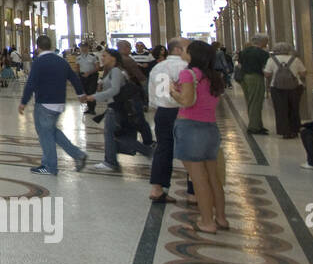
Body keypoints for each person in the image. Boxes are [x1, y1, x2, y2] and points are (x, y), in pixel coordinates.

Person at [169, 40, 229, 233]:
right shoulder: (213, 76)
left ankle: (206, 222)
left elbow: (186, 101)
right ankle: (220, 218)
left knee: (198, 178)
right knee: (213, 176)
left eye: (186, 49)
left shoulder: (188, 74)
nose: (182, 51)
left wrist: (172, 91)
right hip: (210, 128)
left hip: (191, 126)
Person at [17, 34, 88, 175]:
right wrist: (81, 94)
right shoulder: (61, 61)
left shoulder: (38, 62)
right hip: (59, 102)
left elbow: (31, 83)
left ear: (37, 47)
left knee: (45, 135)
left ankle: (50, 167)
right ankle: (78, 155)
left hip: (44, 103)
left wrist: (24, 102)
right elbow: (74, 78)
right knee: (52, 131)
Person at [83, 48, 152, 171]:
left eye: (105, 56)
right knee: (112, 135)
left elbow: (114, 90)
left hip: (117, 107)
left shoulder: (116, 71)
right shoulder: (111, 71)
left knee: (114, 135)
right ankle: (111, 160)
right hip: (114, 106)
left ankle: (144, 151)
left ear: (113, 58)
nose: (102, 58)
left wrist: (94, 97)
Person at [147, 37, 189, 203]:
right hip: (181, 112)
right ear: (178, 50)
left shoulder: (158, 67)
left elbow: (153, 94)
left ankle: (157, 188)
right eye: (187, 48)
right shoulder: (185, 67)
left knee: (163, 149)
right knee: (190, 151)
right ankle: (193, 192)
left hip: (162, 111)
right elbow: (174, 95)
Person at [264, 41, 307, 139]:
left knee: (281, 109)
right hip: (295, 87)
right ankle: (294, 129)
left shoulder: (271, 60)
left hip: (277, 87)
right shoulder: (295, 59)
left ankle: (284, 131)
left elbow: (267, 74)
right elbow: (304, 73)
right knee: (294, 108)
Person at [237, 34, 271, 134]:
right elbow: (266, 66)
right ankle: (254, 127)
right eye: (266, 41)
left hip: (244, 77)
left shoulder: (244, 51)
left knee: (250, 101)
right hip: (255, 77)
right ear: (262, 42)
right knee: (256, 101)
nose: (267, 43)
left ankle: (257, 124)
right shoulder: (262, 53)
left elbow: (240, 65)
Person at [76, 43, 100, 115]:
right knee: (85, 92)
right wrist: (78, 76)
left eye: (85, 47)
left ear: (88, 48)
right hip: (83, 76)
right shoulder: (78, 57)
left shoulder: (93, 57)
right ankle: (89, 108)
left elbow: (97, 67)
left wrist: (89, 73)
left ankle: (92, 109)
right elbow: (77, 68)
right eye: (82, 47)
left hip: (92, 76)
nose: (83, 49)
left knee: (91, 92)